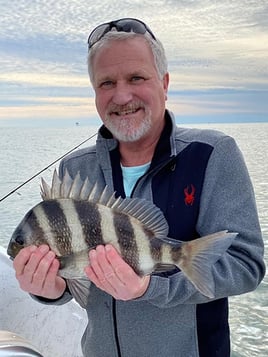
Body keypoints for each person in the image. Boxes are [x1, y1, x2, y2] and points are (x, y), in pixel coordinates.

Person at [13, 18, 265, 357]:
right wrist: (48, 288)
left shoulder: (212, 155)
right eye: (106, 83)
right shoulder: (75, 169)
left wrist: (151, 286)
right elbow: (76, 282)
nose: (121, 95)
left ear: (164, 83)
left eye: (136, 78)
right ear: (95, 93)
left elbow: (246, 265)